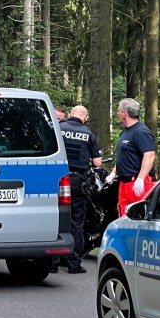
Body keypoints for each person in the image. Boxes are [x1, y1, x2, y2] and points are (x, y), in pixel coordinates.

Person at [53, 104, 102, 273]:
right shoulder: (88, 134)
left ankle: (53, 263)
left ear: (71, 114)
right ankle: (74, 264)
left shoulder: (59, 128)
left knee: (57, 219)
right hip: (77, 182)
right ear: (85, 117)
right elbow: (97, 163)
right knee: (77, 222)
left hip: (58, 180)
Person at [108, 97, 157, 217]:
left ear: (125, 114)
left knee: (139, 215)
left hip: (138, 183)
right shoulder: (125, 132)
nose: (117, 113)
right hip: (124, 183)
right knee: (124, 215)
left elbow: (149, 155)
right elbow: (124, 155)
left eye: (119, 111)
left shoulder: (141, 132)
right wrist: (114, 172)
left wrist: (140, 179)